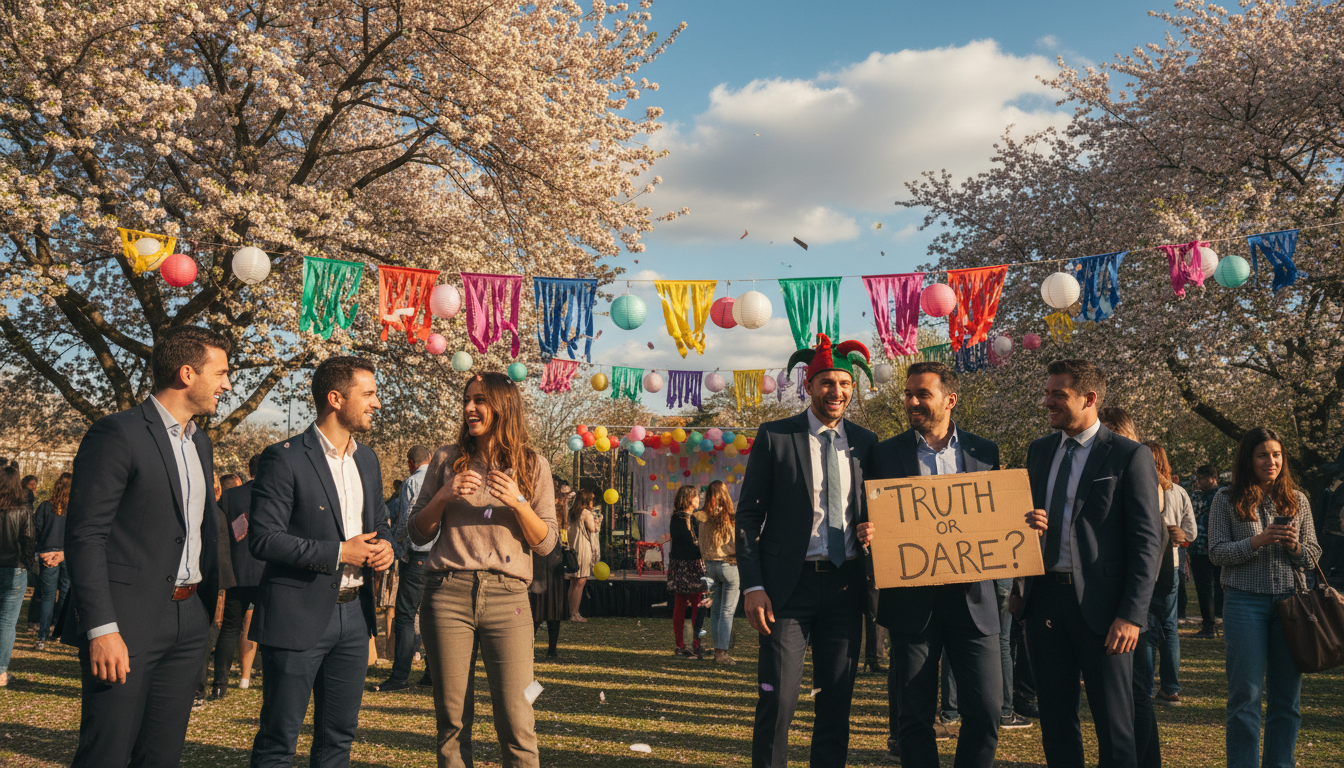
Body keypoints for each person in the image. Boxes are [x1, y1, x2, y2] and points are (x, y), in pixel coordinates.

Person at [63, 325, 229, 766]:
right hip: (126, 621)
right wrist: (102, 629)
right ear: (187, 374)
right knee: (107, 752)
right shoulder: (117, 433)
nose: (228, 385)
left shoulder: (200, 442)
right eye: (221, 373)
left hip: (189, 620)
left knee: (161, 755)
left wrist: (202, 616)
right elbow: (85, 535)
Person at [737, 334, 879, 768]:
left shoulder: (867, 442)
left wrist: (877, 529)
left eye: (845, 384)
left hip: (845, 587)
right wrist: (753, 586)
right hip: (787, 590)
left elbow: (878, 508)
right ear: (808, 385)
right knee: (778, 700)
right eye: (827, 383)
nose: (836, 392)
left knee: (836, 703)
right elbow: (748, 517)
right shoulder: (776, 436)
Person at [247, 356, 395, 767]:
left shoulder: (368, 459)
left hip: (355, 617)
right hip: (296, 616)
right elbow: (263, 539)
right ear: (335, 399)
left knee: (338, 739)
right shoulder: (283, 457)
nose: (377, 403)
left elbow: (380, 522)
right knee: (279, 740)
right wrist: (339, 552)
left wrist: (386, 545)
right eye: (369, 394)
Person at [409, 371, 559, 767]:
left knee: (517, 717)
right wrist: (443, 495)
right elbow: (416, 531)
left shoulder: (532, 464)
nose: (469, 408)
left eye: (479, 400)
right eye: (467, 400)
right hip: (447, 594)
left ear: (503, 406)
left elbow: (546, 543)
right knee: (452, 721)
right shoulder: (446, 459)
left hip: (509, 600)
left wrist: (519, 502)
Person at [868, 361, 1010, 768]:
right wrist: (868, 531)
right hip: (911, 604)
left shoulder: (984, 451)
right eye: (908, 394)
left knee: (986, 709)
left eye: (922, 394)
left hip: (974, 603)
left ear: (950, 400)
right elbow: (872, 513)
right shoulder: (884, 453)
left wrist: (1024, 521)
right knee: (913, 715)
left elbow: (995, 517)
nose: (912, 402)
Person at [1022, 359, 1162, 768]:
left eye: (1058, 395)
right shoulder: (1039, 451)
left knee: (1115, 726)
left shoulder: (1129, 455)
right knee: (1055, 720)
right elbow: (1026, 522)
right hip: (1044, 602)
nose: (1047, 402)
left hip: (1105, 611)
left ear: (1089, 398)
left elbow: (1147, 543)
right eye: (1046, 393)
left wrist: (1131, 616)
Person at [1209, 427, 1320, 768]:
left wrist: (1294, 547)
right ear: (1248, 459)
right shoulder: (1226, 499)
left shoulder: (1298, 499)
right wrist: (1256, 542)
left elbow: (1313, 554)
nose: (1271, 461)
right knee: (1245, 697)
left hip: (1291, 605)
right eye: (1262, 455)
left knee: (1287, 700)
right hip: (1245, 603)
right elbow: (1216, 552)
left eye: (1276, 454)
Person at [374, 445, 435, 691]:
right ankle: (431, 674)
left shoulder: (412, 482)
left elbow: (408, 520)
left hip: (418, 556)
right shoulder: (441, 480)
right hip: (440, 558)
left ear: (411, 463)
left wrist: (396, 545)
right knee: (433, 617)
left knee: (405, 617)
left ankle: (399, 676)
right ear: (430, 459)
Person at [1142, 442, 1196, 707]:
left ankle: (1144, 686)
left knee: (1145, 625)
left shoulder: (1139, 487)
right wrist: (1179, 535)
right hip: (1171, 564)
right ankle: (1170, 688)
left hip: (1144, 564)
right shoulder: (1179, 491)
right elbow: (1191, 533)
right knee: (1169, 626)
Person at [214, 454, 265, 696]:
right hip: (267, 571)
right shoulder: (276, 493)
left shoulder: (230, 496)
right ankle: (269, 681)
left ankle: (219, 685)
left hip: (237, 570)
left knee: (230, 628)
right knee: (269, 628)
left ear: (249, 469)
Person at [0, 465, 36, 687]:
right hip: (15, 567)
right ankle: (0, 671)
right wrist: (27, 564)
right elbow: (29, 539)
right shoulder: (23, 511)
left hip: (13, 565)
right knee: (7, 622)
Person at [700, 479, 741, 666]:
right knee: (726, 612)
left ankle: (718, 649)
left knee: (716, 611)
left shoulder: (702, 517)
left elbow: (701, 542)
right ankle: (721, 652)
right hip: (729, 565)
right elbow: (737, 543)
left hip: (710, 565)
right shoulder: (731, 516)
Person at [529, 475, 571, 659]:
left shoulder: (537, 504)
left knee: (537, 605)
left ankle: (530, 646)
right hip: (554, 556)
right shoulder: (559, 505)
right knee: (553, 605)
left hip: (540, 555)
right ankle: (551, 649)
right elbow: (564, 530)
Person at [665, 485, 708, 659]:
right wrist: (705, 550)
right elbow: (691, 544)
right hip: (690, 565)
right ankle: (691, 644)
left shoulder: (678, 517)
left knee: (684, 605)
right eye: (696, 496)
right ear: (689, 498)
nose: (699, 499)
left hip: (681, 565)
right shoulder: (686, 518)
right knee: (693, 604)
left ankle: (683, 645)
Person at [33, 472, 72, 650]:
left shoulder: (45, 506)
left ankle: (42, 636)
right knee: (64, 593)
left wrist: (40, 551)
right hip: (67, 554)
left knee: (48, 596)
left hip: (48, 553)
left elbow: (36, 530)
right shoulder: (74, 509)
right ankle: (58, 631)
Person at [1188, 465, 1226, 638]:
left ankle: (1217, 621)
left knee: (1220, 586)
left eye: (1202, 478)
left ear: (1213, 477)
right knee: (1204, 589)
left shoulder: (1222, 495)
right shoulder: (1196, 495)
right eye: (1198, 478)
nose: (1200, 482)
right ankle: (1209, 625)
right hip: (1199, 547)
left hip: (1216, 546)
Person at [567, 489, 600, 623]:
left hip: (574, 547)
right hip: (583, 547)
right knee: (580, 581)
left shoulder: (572, 513)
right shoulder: (585, 513)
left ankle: (570, 612)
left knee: (573, 582)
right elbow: (592, 529)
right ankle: (575, 613)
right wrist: (597, 524)